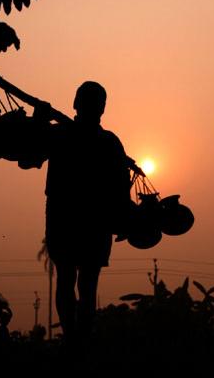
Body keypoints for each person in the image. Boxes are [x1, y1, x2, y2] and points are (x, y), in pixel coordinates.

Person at [41, 81, 133, 341]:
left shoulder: (61, 136)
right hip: (82, 221)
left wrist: (40, 124)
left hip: (75, 220)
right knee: (83, 282)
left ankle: (75, 338)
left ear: (75, 104)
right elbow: (122, 189)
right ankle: (78, 338)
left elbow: (27, 159)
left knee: (71, 280)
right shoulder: (105, 142)